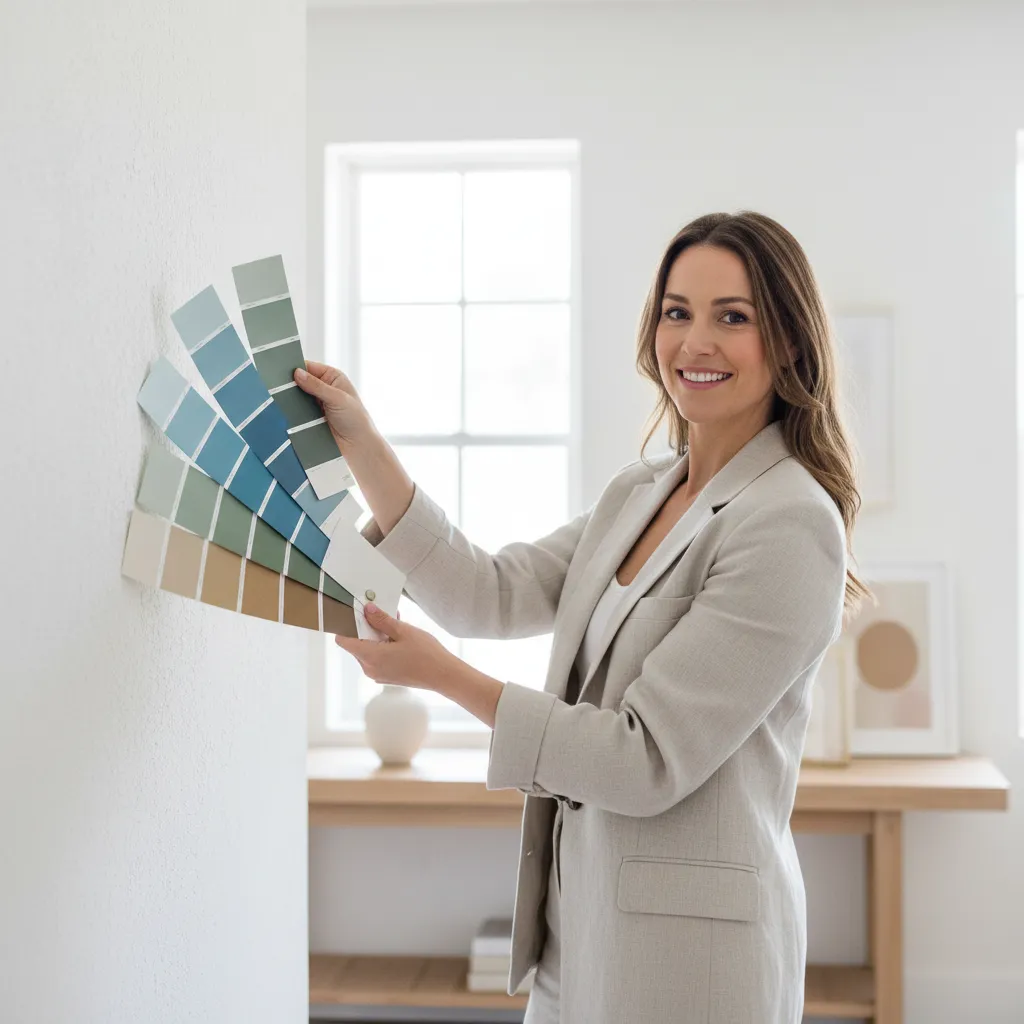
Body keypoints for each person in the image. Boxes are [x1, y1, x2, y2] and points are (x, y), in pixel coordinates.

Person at [293, 210, 870, 1024]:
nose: (694, 342)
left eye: (731, 317)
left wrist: (440, 676)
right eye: (677, 311)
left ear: (789, 344)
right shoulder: (639, 493)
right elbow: (485, 592)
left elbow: (642, 759)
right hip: (583, 934)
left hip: (693, 966)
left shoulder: (790, 522)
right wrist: (359, 441)